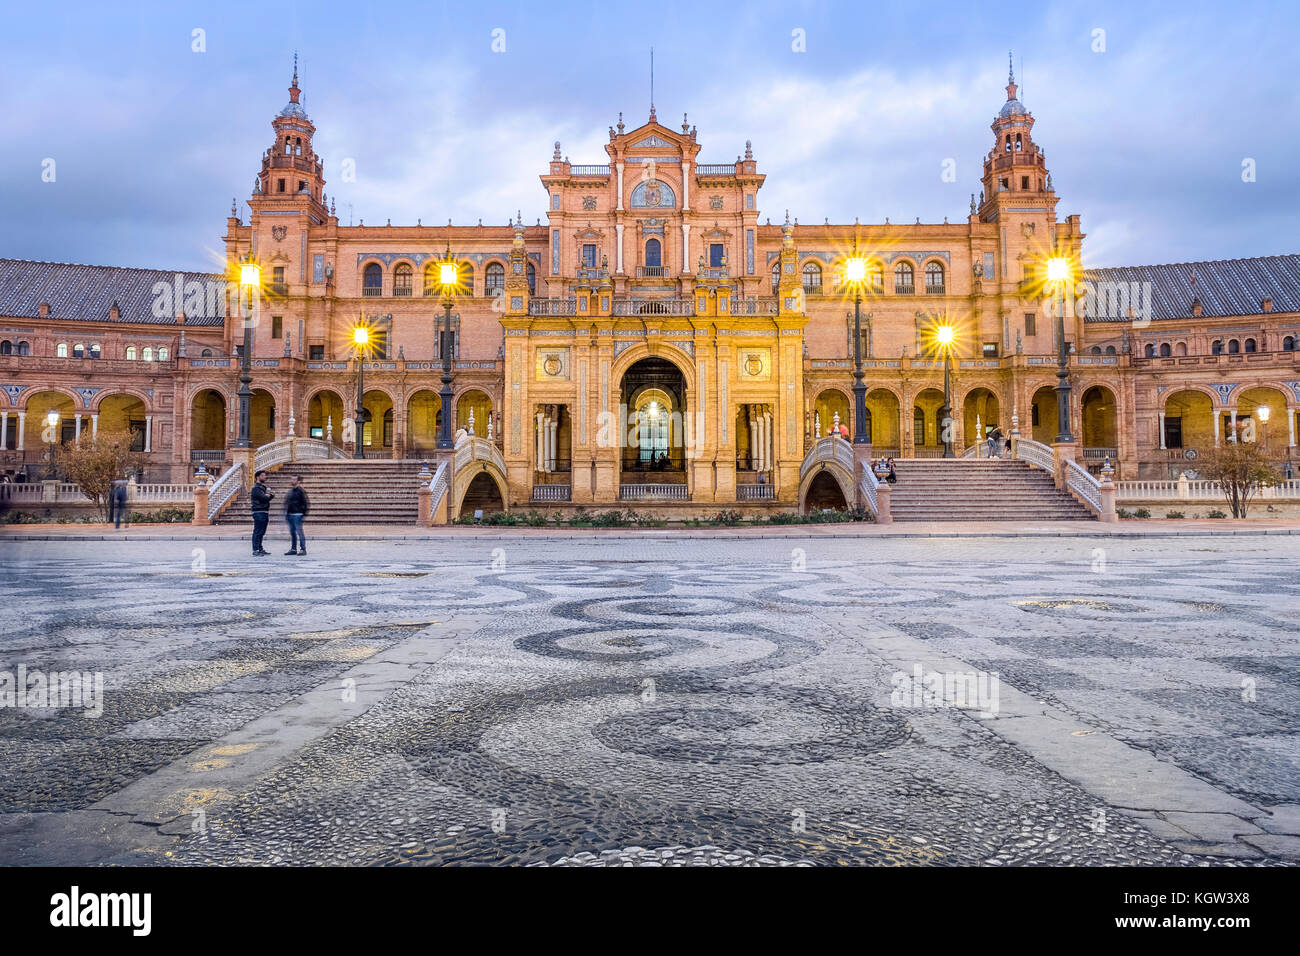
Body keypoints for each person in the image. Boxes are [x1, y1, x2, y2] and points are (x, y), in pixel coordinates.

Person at [284, 475, 309, 556]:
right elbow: (288, 503)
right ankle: (293, 549)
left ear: (298, 481)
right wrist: (287, 514)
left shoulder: (301, 491)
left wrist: (303, 513)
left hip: (298, 514)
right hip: (291, 514)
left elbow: (305, 503)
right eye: (292, 479)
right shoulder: (291, 491)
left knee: (299, 532)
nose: (292, 481)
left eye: (294, 479)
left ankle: (303, 549)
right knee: (292, 533)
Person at [251, 469, 273, 556]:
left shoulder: (262, 488)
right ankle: (255, 549)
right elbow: (264, 498)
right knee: (258, 531)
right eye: (263, 475)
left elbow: (268, 497)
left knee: (262, 531)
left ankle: (260, 548)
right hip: (258, 511)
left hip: (264, 511)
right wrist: (268, 496)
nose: (265, 477)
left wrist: (269, 495)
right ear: (258, 477)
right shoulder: (256, 488)